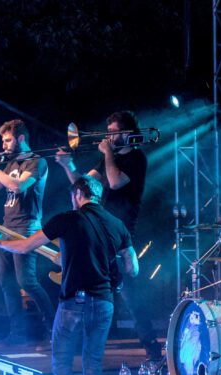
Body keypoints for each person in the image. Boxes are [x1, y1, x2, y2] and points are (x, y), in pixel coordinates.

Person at [0, 176, 137, 375]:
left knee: (62, 363)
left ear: (78, 194)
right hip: (104, 303)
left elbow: (26, 246)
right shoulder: (117, 224)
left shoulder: (67, 219)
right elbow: (133, 268)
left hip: (73, 303)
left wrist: (0, 244)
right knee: (93, 363)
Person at [55, 111, 161, 360]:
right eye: (109, 132)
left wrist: (107, 153)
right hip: (100, 230)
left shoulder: (136, 158)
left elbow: (114, 182)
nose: (109, 136)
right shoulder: (108, 159)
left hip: (121, 231)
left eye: (114, 132)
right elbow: (82, 186)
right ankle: (86, 344)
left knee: (130, 293)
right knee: (92, 287)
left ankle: (151, 346)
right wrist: (68, 165)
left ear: (127, 133)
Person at [0, 119, 55, 345]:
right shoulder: (10, 164)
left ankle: (53, 326)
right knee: (7, 283)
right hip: (7, 227)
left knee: (26, 281)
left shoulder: (37, 162)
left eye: (8, 140)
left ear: (21, 138)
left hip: (27, 227)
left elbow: (17, 186)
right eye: (3, 141)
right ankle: (18, 334)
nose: (4, 145)